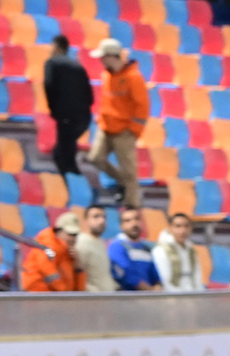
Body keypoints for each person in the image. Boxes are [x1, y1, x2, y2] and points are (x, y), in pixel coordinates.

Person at [89, 39, 147, 208]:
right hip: (106, 127)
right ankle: (122, 182)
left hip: (124, 131)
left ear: (111, 56)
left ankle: (132, 206)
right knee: (95, 158)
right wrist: (101, 120)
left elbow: (142, 106)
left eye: (103, 57)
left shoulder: (133, 77)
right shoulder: (106, 75)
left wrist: (134, 130)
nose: (100, 61)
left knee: (130, 171)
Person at [42, 33, 92, 180]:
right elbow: (89, 94)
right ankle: (74, 185)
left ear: (56, 47)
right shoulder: (78, 66)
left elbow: (49, 87)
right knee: (64, 152)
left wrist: (54, 111)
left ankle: (76, 188)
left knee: (64, 156)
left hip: (66, 116)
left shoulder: (52, 63)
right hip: (83, 116)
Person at [21, 210, 82, 291]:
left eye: (75, 235)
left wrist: (78, 265)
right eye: (70, 234)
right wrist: (65, 293)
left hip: (54, 297)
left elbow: (77, 286)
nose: (73, 238)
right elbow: (49, 272)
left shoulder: (68, 251)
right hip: (39, 295)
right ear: (58, 231)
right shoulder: (47, 244)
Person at [107, 206, 159, 291]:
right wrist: (149, 289)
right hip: (128, 299)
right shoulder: (117, 246)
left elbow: (154, 273)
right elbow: (125, 274)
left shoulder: (145, 247)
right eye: (128, 221)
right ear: (121, 226)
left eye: (137, 219)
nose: (134, 224)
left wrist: (158, 285)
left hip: (148, 298)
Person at [152, 211, 203, 292]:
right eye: (178, 226)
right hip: (173, 297)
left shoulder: (192, 251)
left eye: (186, 226)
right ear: (170, 228)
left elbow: (197, 278)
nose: (182, 230)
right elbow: (165, 281)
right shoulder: (161, 250)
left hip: (192, 295)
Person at [70, 202, 114, 293]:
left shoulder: (101, 243)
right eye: (96, 217)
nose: (101, 220)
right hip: (93, 300)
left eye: (104, 217)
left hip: (107, 299)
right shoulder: (82, 243)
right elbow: (77, 274)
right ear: (86, 220)